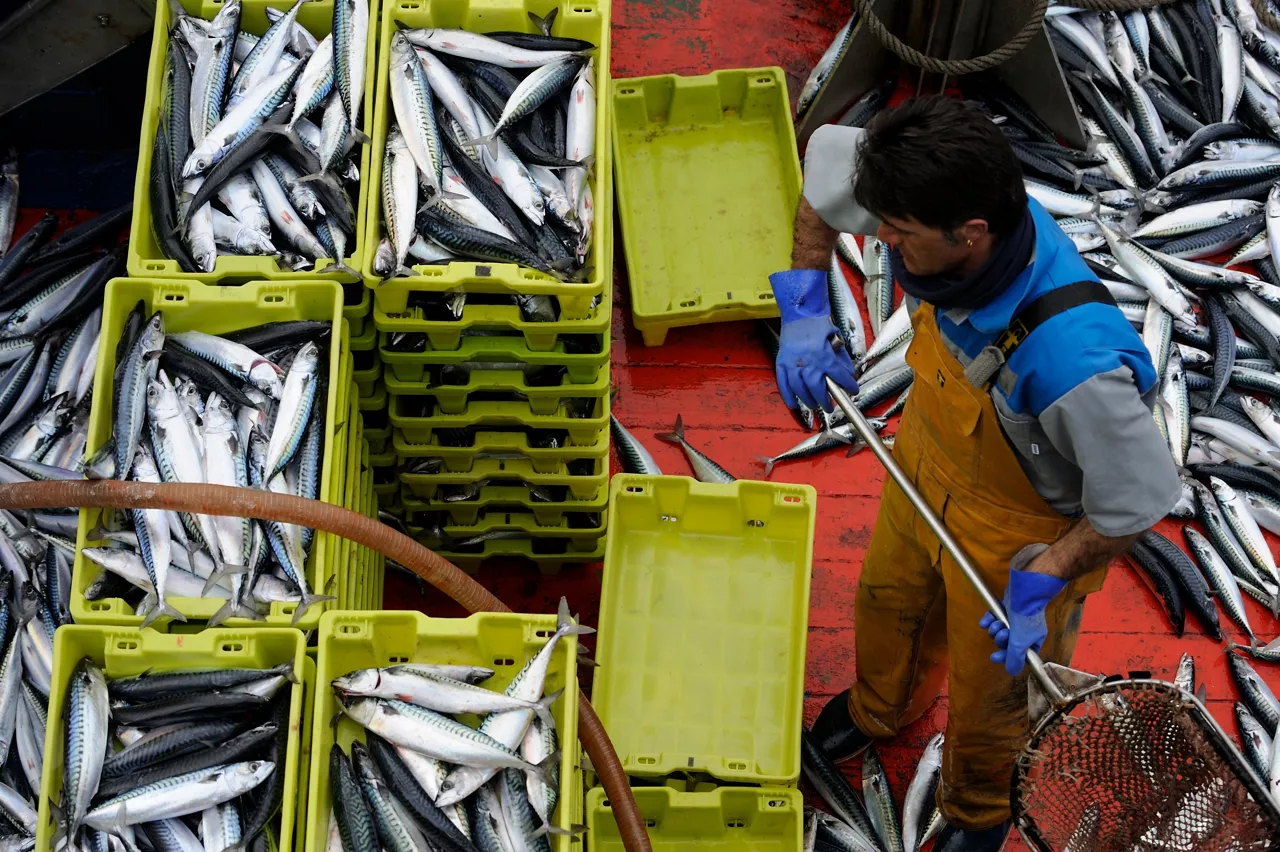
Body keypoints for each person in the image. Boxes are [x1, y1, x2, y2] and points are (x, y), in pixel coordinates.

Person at [769, 96, 1180, 851]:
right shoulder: (916, 188)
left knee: (998, 698)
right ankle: (879, 709)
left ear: (972, 234)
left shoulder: (1072, 361)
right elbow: (823, 176)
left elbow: (1137, 501)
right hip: (922, 466)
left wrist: (1046, 578)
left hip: (1017, 541)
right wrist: (802, 307)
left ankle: (980, 808)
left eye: (899, 234)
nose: (882, 241)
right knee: (887, 602)